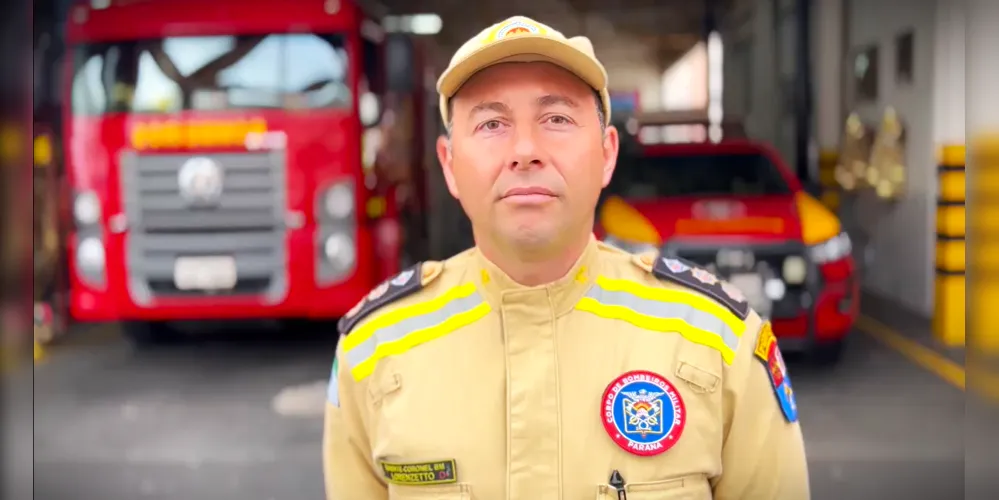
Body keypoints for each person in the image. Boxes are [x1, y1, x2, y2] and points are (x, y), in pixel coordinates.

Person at [323, 15, 810, 500]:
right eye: (492, 123)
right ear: (449, 166)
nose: (525, 150)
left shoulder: (718, 340)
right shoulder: (373, 349)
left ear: (607, 153)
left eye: (556, 119)